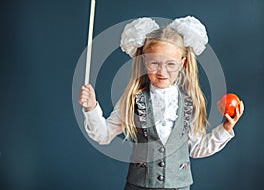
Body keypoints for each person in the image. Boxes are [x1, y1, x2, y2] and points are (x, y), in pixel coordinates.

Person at [78, 16, 245, 190]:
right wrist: (91, 108)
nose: (162, 71)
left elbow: (196, 149)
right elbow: (103, 135)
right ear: (144, 61)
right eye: (155, 63)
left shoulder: (190, 103)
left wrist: (225, 129)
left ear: (183, 62)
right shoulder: (133, 99)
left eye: (170, 64)